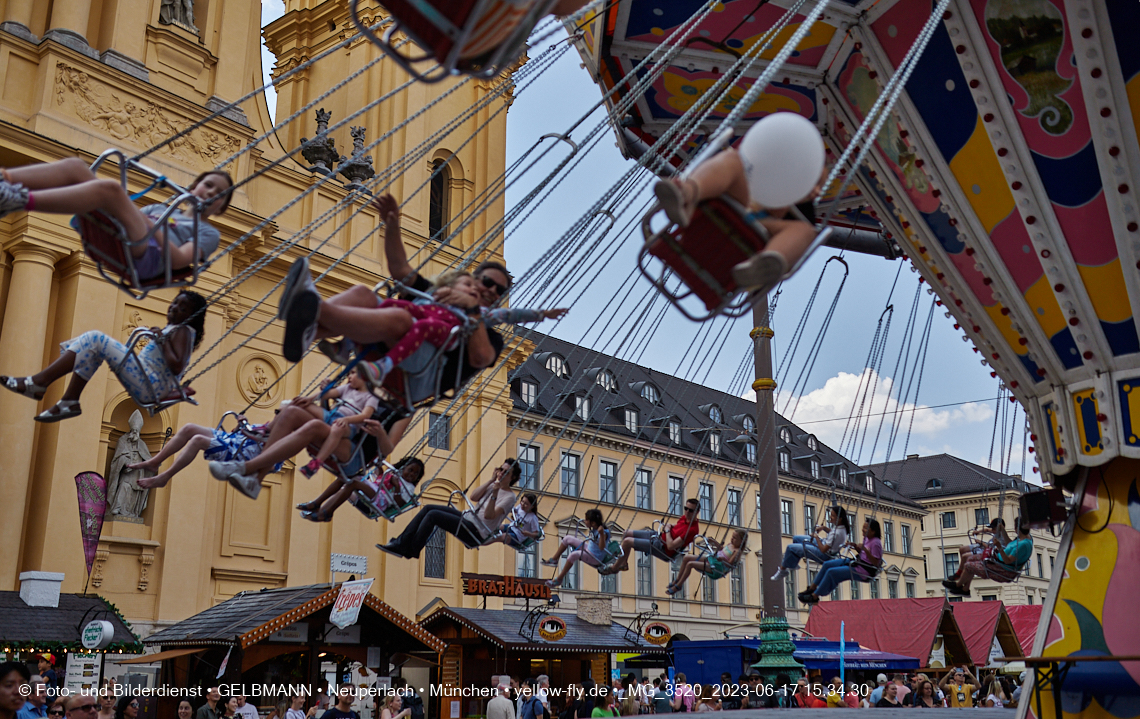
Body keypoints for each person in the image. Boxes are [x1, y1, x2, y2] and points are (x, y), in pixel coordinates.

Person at [651, 114, 824, 295]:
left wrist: (800, 194)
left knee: (805, 231)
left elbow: (803, 233)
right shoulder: (750, 167)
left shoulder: (799, 203)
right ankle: (686, 194)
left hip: (758, 232)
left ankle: (765, 264)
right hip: (730, 207)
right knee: (732, 160)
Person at [0, 159, 233, 281]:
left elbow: (181, 259)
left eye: (219, 194)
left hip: (147, 254)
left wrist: (152, 226)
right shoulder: (161, 208)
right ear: (193, 187)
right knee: (76, 167)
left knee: (110, 189)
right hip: (131, 233)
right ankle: (5, 178)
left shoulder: (209, 233)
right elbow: (133, 216)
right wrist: (142, 218)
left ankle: (18, 200)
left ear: (221, 208)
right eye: (208, 185)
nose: (211, 193)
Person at [1, 290, 206, 422]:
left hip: (150, 385)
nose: (174, 308)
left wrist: (160, 339)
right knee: (92, 352)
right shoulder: (174, 330)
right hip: (146, 379)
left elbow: (177, 365)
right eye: (175, 302)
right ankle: (69, 401)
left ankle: (40, 382)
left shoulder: (184, 331)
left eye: (183, 308)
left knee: (95, 339)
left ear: (191, 316)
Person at [378, 459, 521, 556]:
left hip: (476, 531)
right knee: (428, 508)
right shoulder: (492, 485)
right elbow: (474, 497)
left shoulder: (509, 497)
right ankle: (401, 542)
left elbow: (489, 516)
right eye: (501, 469)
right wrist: (491, 480)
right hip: (468, 518)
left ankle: (411, 549)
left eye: (506, 472)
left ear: (512, 477)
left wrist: (495, 493)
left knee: (433, 516)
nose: (501, 473)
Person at [129, 416, 278, 488]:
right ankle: (155, 462)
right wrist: (242, 425)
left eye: (280, 413)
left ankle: (164, 477)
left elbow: (270, 463)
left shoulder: (283, 440)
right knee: (189, 428)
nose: (276, 415)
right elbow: (243, 433)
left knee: (197, 440)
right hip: (231, 440)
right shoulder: (267, 426)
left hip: (237, 453)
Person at [299, 369, 379, 478]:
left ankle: (316, 463)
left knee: (337, 428)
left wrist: (347, 420)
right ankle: (273, 430)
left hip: (349, 425)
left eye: (353, 373)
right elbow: (327, 394)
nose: (349, 376)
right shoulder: (347, 388)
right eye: (349, 373)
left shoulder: (371, 397)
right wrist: (309, 399)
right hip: (332, 415)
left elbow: (365, 416)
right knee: (302, 404)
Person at [797, 518, 883, 604]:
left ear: (873, 531)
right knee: (827, 564)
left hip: (864, 570)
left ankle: (814, 597)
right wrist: (856, 547)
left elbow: (876, 563)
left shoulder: (876, 543)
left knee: (832, 572)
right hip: (857, 562)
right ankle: (812, 588)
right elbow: (864, 554)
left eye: (865, 528)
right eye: (863, 527)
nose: (862, 530)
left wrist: (865, 550)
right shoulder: (867, 538)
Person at [943, 517, 1034, 595]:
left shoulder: (1023, 545)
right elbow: (1009, 543)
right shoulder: (1025, 537)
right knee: (969, 558)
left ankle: (958, 585)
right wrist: (1003, 531)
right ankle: (965, 589)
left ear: (1017, 528)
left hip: (1002, 568)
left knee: (968, 566)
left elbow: (1008, 560)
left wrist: (999, 547)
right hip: (996, 558)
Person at [612, 498, 701, 573]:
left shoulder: (692, 530)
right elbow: (675, 526)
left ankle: (614, 568)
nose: (687, 512)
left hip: (663, 548)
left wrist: (667, 531)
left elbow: (670, 546)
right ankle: (623, 563)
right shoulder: (685, 518)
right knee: (626, 533)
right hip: (658, 537)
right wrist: (669, 526)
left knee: (627, 542)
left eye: (691, 510)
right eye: (686, 508)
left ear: (697, 512)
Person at [771, 506, 849, 581]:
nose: (830, 517)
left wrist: (816, 537)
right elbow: (833, 534)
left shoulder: (836, 533)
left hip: (823, 555)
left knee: (790, 548)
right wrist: (824, 528)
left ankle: (782, 571)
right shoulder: (842, 528)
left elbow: (823, 550)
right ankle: (793, 563)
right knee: (796, 538)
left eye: (832, 515)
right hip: (825, 545)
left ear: (840, 518)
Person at [666, 529, 746, 596]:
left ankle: (678, 586)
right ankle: (677, 580)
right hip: (712, 559)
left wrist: (722, 559)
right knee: (686, 558)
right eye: (732, 537)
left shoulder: (737, 551)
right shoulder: (730, 544)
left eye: (735, 538)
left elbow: (729, 564)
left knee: (690, 564)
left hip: (717, 568)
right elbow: (721, 549)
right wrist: (713, 542)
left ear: (741, 541)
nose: (732, 539)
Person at [543, 508, 610, 586]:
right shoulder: (595, 529)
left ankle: (559, 579)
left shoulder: (602, 532)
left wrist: (601, 534)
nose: (584, 521)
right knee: (567, 538)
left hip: (596, 557)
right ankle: (554, 559)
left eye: (586, 520)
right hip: (589, 549)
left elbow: (602, 547)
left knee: (573, 555)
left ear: (593, 523)